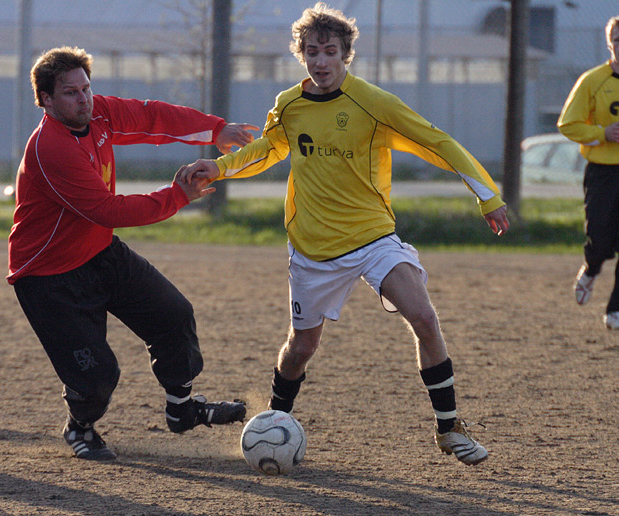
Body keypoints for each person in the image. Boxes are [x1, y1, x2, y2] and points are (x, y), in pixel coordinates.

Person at [184, 3, 509, 466]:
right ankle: (277, 421)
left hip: (373, 238)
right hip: (312, 248)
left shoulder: (373, 103)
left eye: (330, 51)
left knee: (424, 317)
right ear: (302, 55)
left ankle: (449, 428)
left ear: (345, 55)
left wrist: (488, 196)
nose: (321, 61)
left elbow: (437, 141)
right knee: (301, 348)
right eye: (312, 52)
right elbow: (266, 151)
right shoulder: (290, 106)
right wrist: (216, 168)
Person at [7, 46, 258, 461]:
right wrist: (177, 196)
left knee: (173, 316)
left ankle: (182, 410)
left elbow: (149, 116)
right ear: (46, 100)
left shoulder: (98, 112)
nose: (83, 98)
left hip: (100, 251)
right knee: (98, 378)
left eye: (86, 88)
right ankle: (80, 427)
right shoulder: (50, 149)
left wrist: (214, 130)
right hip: (48, 277)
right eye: (70, 93)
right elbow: (107, 210)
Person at [558, 15, 619, 330]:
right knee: (599, 237)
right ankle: (592, 268)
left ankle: (615, 310)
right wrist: (601, 133)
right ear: (610, 44)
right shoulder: (592, 80)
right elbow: (567, 123)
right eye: (618, 41)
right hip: (602, 173)